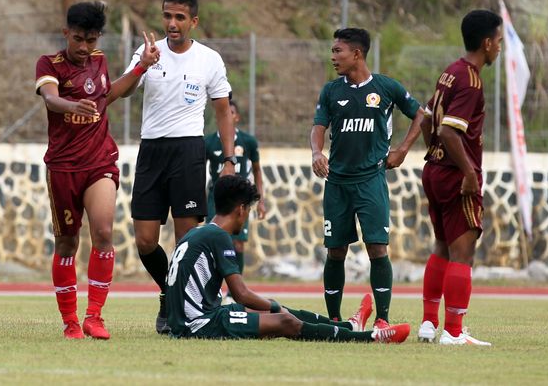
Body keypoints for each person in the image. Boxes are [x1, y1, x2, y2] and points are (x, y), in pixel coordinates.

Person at [35, 1, 159, 340]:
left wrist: (140, 69)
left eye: (91, 40)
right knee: (67, 243)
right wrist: (70, 104)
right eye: (78, 39)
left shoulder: (100, 60)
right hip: (62, 166)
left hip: (99, 161)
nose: (85, 47)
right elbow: (49, 98)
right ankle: (70, 321)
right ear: (66, 34)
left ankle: (94, 317)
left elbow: (110, 95)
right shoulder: (49, 64)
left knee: (103, 232)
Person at [166, 174, 410, 343]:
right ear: (241, 209)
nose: (247, 217)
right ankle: (368, 337)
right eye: (249, 211)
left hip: (191, 319)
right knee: (284, 321)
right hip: (199, 324)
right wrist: (274, 307)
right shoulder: (219, 237)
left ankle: (348, 326)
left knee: (267, 307)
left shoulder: (199, 232)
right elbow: (239, 293)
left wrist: (270, 305)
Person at [122, 0, 236, 334]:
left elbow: (222, 112)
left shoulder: (209, 60)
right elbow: (123, 92)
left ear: (193, 22)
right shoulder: (147, 51)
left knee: (186, 241)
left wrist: (229, 159)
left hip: (187, 151)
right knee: (145, 240)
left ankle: (184, 310)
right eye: (167, 16)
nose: (172, 23)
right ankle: (168, 291)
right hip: (151, 151)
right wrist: (143, 65)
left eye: (179, 17)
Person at [310, 27, 424, 330]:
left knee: (377, 248)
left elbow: (421, 114)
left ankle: (382, 318)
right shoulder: (331, 90)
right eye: (333, 51)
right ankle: (332, 320)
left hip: (371, 181)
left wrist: (401, 150)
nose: (333, 56)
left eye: (338, 51)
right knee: (335, 251)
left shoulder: (386, 88)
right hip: (337, 183)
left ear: (356, 54)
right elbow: (318, 126)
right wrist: (316, 153)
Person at [417, 10, 502, 346]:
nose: (499, 48)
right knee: (463, 253)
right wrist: (468, 173)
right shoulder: (472, 81)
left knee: (442, 246)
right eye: (498, 41)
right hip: (455, 175)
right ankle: (452, 332)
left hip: (434, 171)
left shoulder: (451, 72)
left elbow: (426, 118)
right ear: (486, 42)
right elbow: (451, 133)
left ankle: (427, 323)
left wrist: (434, 151)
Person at [204, 100, 265, 289]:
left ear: (237, 117)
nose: (228, 116)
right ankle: (212, 288)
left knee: (238, 244)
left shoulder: (248, 141)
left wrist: (261, 200)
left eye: (232, 113)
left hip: (241, 198)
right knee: (213, 241)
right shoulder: (209, 141)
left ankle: (234, 290)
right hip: (217, 197)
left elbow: (257, 171)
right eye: (225, 112)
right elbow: (200, 171)